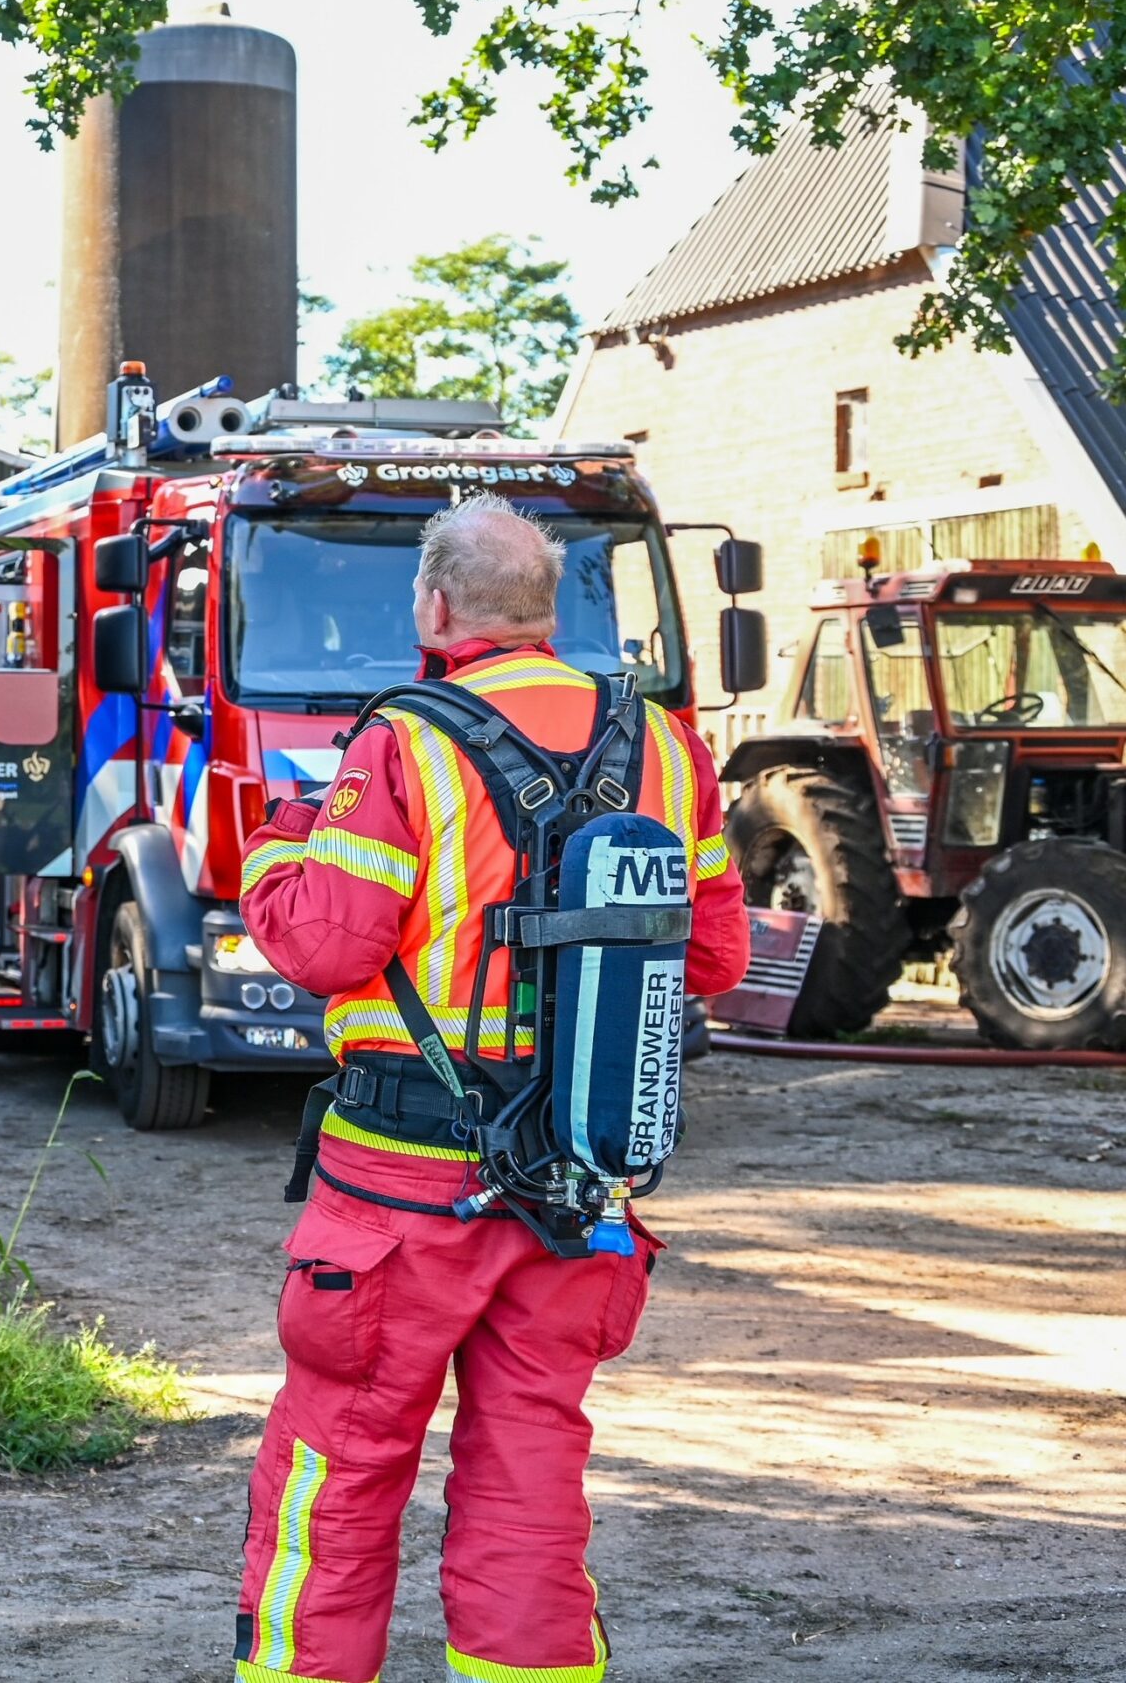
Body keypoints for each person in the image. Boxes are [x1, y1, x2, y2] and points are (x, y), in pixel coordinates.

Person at [228, 493, 750, 1683]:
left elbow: (324, 948)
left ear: (431, 605)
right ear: (549, 607)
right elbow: (713, 957)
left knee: (342, 1458)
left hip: (403, 1183)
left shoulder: (400, 741)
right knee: (530, 1464)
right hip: (582, 1173)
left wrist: (278, 841)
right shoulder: (666, 744)